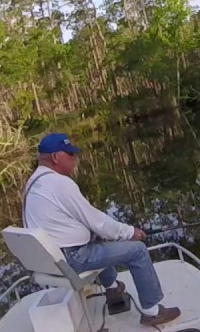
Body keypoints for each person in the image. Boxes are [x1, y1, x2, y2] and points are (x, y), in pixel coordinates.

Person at [21, 132, 181, 327]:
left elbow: (92, 226)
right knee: (137, 250)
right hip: (72, 258)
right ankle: (152, 311)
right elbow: (97, 221)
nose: (74, 159)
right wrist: (131, 232)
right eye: (70, 154)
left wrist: (102, 233)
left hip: (52, 260)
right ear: (55, 157)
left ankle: (112, 289)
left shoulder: (33, 183)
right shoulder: (59, 183)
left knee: (97, 237)